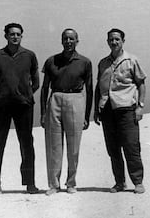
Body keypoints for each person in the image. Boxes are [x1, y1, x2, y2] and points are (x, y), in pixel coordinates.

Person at [0, 23, 40, 196]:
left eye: (18, 34)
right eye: (11, 34)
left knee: (26, 144)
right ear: (6, 36)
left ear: (22, 36)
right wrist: (0, 97)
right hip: (1, 106)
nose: (15, 37)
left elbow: (36, 82)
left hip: (23, 106)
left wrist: (24, 95)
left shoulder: (29, 55)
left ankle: (30, 184)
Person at [40, 28, 93, 196]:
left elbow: (90, 90)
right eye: (65, 38)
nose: (68, 41)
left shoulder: (85, 62)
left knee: (74, 145)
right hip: (54, 99)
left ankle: (71, 182)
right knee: (53, 145)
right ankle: (54, 184)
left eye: (71, 38)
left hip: (76, 100)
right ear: (61, 40)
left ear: (77, 40)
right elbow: (44, 88)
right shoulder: (51, 61)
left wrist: (87, 116)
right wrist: (43, 113)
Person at [94, 28, 147, 194]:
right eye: (111, 39)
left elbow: (141, 83)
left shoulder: (131, 60)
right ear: (107, 41)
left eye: (117, 39)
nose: (114, 42)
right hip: (107, 110)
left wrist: (140, 106)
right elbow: (99, 86)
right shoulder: (102, 63)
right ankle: (119, 182)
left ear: (123, 41)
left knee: (131, 147)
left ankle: (138, 182)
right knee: (113, 149)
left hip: (126, 109)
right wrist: (97, 109)